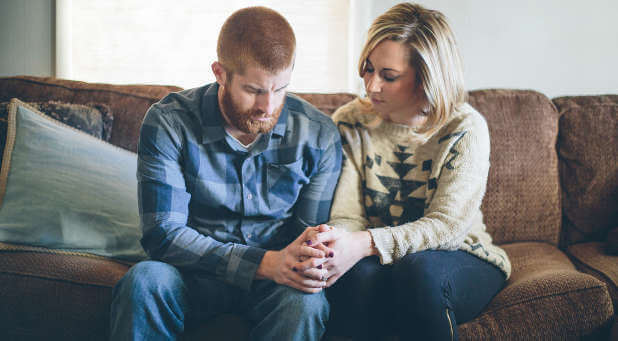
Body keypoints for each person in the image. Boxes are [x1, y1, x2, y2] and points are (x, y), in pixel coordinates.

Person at [109, 6, 342, 341]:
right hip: (191, 273)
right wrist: (263, 263)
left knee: (305, 303)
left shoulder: (318, 136)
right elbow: (162, 233)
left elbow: (308, 236)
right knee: (145, 281)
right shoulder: (169, 122)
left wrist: (307, 257)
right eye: (253, 90)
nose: (268, 106)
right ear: (220, 73)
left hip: (276, 283)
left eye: (280, 89)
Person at [302, 3, 512, 340]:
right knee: (355, 277)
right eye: (368, 70)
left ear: (426, 78)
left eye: (389, 76)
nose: (371, 86)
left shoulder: (465, 128)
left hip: (461, 256)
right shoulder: (351, 122)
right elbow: (346, 216)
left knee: (419, 271)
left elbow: (448, 228)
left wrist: (364, 242)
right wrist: (337, 247)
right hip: (376, 260)